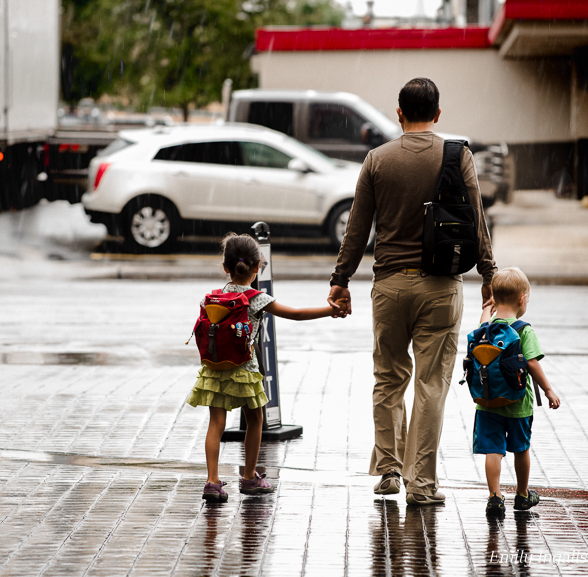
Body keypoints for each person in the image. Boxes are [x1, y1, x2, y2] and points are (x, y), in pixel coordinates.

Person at [328, 77, 496, 505]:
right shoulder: (458, 156)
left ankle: (388, 470)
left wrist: (340, 280)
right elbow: (476, 219)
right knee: (430, 386)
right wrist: (488, 275)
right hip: (440, 285)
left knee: (388, 379)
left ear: (398, 113)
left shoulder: (376, 160)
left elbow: (357, 228)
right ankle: (421, 485)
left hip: (388, 286)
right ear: (437, 114)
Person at [188, 233, 344, 503]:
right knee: (256, 420)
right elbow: (295, 313)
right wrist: (330, 311)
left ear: (226, 267)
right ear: (258, 267)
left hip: (215, 368)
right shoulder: (256, 298)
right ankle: (249, 477)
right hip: (245, 369)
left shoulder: (213, 297)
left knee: (217, 424)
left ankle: (212, 481)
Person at [473, 267, 560, 517]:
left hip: (487, 401)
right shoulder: (523, 330)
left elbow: (481, 324)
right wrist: (548, 390)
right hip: (519, 403)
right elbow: (532, 363)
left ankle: (494, 496)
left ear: (494, 299)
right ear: (522, 299)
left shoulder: (486, 328)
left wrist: (485, 311)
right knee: (521, 448)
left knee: (493, 450)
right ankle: (522, 495)